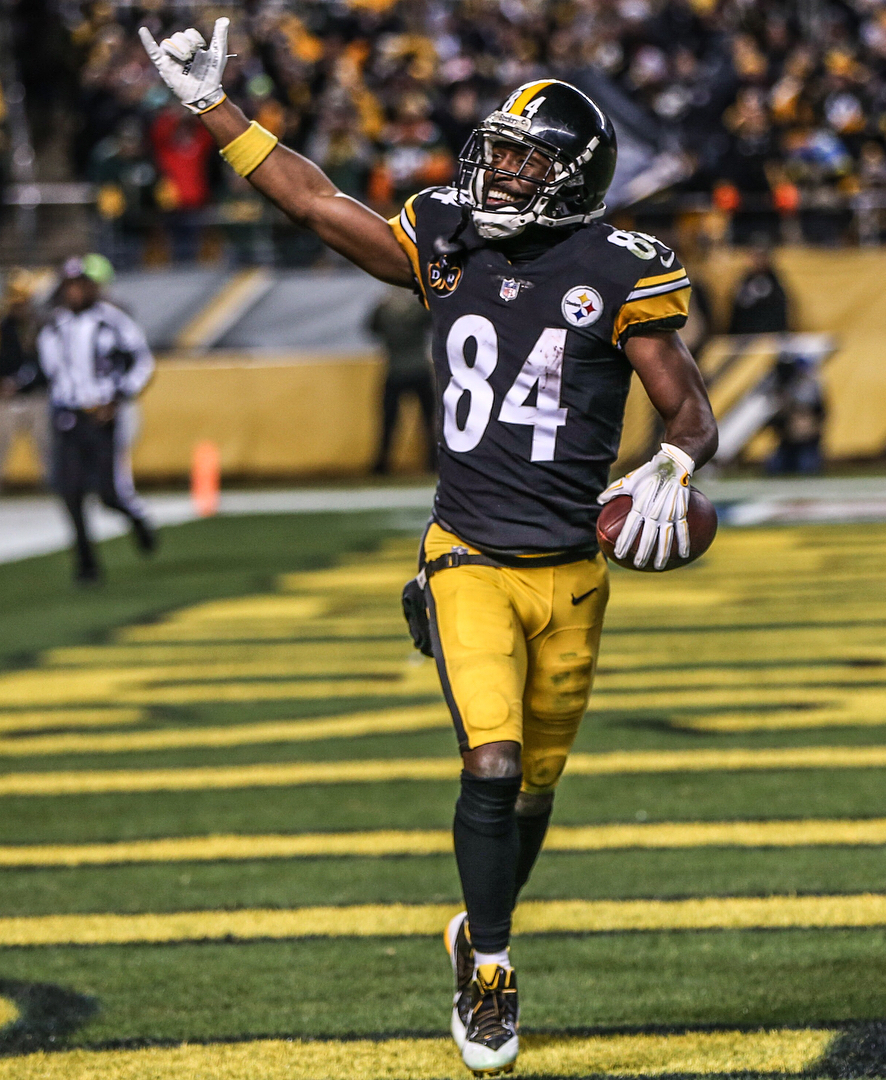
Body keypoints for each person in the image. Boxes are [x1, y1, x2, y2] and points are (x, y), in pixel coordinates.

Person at [141, 23, 717, 1077]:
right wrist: (213, 109)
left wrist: (678, 465)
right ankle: (490, 968)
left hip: (574, 573)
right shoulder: (445, 233)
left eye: (522, 159)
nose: (494, 170)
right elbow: (320, 205)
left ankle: (476, 921)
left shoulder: (617, 265)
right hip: (466, 556)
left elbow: (688, 409)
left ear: (573, 178)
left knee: (535, 788)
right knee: (490, 765)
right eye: (494, 151)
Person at [37, 254, 157, 583]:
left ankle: (137, 519)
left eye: (81, 285)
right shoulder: (52, 326)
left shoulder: (113, 320)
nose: (75, 292)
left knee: (108, 494)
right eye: (69, 285)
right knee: (70, 492)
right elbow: (49, 372)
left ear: (92, 287)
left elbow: (143, 362)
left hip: (102, 415)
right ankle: (86, 562)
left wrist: (118, 397)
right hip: (68, 415)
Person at [0, 269, 52, 494]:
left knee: (45, 443)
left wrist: (22, 382)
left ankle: (52, 484)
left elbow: (45, 363)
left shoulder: (41, 326)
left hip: (35, 394)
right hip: (6, 395)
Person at [368, 287, 435, 473]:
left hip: (396, 369)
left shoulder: (385, 310)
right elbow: (432, 321)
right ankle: (433, 461)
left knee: (389, 421)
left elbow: (372, 329)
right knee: (428, 420)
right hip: (417, 368)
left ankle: (382, 463)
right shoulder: (417, 310)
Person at [764, 352, 825, 475]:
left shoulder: (808, 385)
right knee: (774, 470)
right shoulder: (776, 384)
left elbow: (813, 414)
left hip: (806, 442)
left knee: (806, 470)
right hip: (786, 441)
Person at [728, 241, 790, 335]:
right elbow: (736, 312)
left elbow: (781, 312)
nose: (758, 261)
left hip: (771, 334)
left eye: (761, 256)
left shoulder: (776, 283)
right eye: (755, 257)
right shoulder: (743, 282)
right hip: (744, 335)